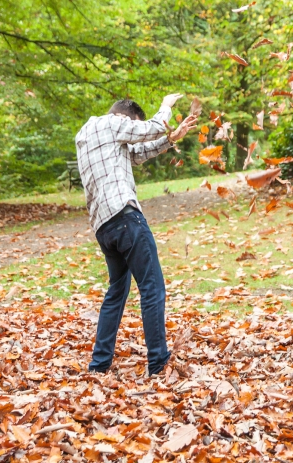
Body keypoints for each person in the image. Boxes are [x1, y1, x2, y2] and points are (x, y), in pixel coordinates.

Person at [75, 94, 197, 375]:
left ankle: (99, 365)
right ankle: (158, 363)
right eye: (132, 127)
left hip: (103, 226)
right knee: (152, 288)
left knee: (116, 292)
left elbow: (136, 154)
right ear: (124, 118)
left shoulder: (89, 134)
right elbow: (151, 127)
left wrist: (171, 138)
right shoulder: (110, 124)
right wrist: (166, 105)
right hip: (126, 218)